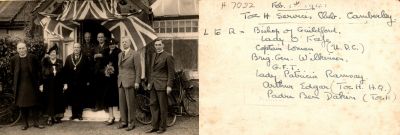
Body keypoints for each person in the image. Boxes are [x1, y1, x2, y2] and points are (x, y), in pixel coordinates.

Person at [10, 42, 45, 130]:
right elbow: (12, 72)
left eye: (23, 48)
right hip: (20, 86)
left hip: (32, 84)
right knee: (22, 105)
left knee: (34, 104)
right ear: (17, 50)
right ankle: (25, 124)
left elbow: (39, 70)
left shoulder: (32, 57)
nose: (21, 50)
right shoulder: (13, 59)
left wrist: (40, 83)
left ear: (26, 48)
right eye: (19, 48)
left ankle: (36, 123)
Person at [145, 39, 175, 134]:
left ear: (163, 45)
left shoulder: (168, 56)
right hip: (153, 85)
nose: (157, 46)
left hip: (163, 85)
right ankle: (154, 126)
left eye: (159, 45)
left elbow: (171, 73)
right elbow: (151, 71)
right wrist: (149, 83)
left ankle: (162, 127)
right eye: (156, 45)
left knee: (163, 107)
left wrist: (169, 85)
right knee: (153, 105)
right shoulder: (153, 55)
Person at [117, 37, 141, 131]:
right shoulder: (120, 54)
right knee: (122, 103)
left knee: (130, 103)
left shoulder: (135, 54)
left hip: (130, 81)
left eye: (126, 42)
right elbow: (120, 68)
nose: (124, 43)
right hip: (121, 81)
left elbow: (138, 69)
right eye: (122, 42)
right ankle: (124, 122)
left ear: (130, 43)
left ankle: (131, 123)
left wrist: (137, 81)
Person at [63, 43, 90, 120]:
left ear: (80, 48)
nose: (76, 49)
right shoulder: (68, 58)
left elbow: (88, 70)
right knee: (72, 98)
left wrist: (87, 81)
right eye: (75, 47)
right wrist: (65, 82)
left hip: (81, 82)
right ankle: (74, 114)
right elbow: (65, 71)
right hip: (71, 82)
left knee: (80, 98)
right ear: (73, 48)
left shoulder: (84, 58)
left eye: (78, 47)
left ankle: (80, 114)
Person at [41, 45, 65, 125]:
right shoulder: (45, 61)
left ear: (56, 53)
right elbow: (43, 73)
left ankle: (55, 117)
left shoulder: (60, 61)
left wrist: (64, 83)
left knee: (57, 100)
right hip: (48, 84)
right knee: (49, 101)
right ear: (49, 54)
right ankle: (49, 118)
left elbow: (63, 74)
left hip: (58, 85)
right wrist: (41, 85)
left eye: (54, 52)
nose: (53, 54)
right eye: (51, 52)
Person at [102, 39, 121, 125]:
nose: (111, 46)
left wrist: (114, 70)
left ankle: (122, 116)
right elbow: (103, 62)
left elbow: (120, 64)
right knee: (108, 96)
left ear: (115, 44)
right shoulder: (106, 51)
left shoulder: (118, 51)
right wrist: (106, 70)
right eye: (110, 45)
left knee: (116, 96)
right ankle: (111, 116)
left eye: (113, 44)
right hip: (107, 78)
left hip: (115, 78)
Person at [93, 32, 109, 111]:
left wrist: (101, 56)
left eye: (102, 37)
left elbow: (110, 57)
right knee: (97, 89)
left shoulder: (108, 46)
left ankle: (105, 106)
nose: (100, 39)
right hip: (97, 71)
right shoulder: (95, 48)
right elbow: (93, 58)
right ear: (97, 39)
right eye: (99, 37)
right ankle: (98, 106)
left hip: (105, 70)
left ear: (104, 38)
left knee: (105, 89)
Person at [81, 32, 96, 108]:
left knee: (92, 87)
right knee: (84, 87)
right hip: (84, 69)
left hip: (92, 69)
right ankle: (84, 104)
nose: (87, 38)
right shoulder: (81, 46)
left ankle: (92, 104)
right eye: (86, 37)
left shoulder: (94, 46)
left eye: (89, 37)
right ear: (84, 38)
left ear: (91, 38)